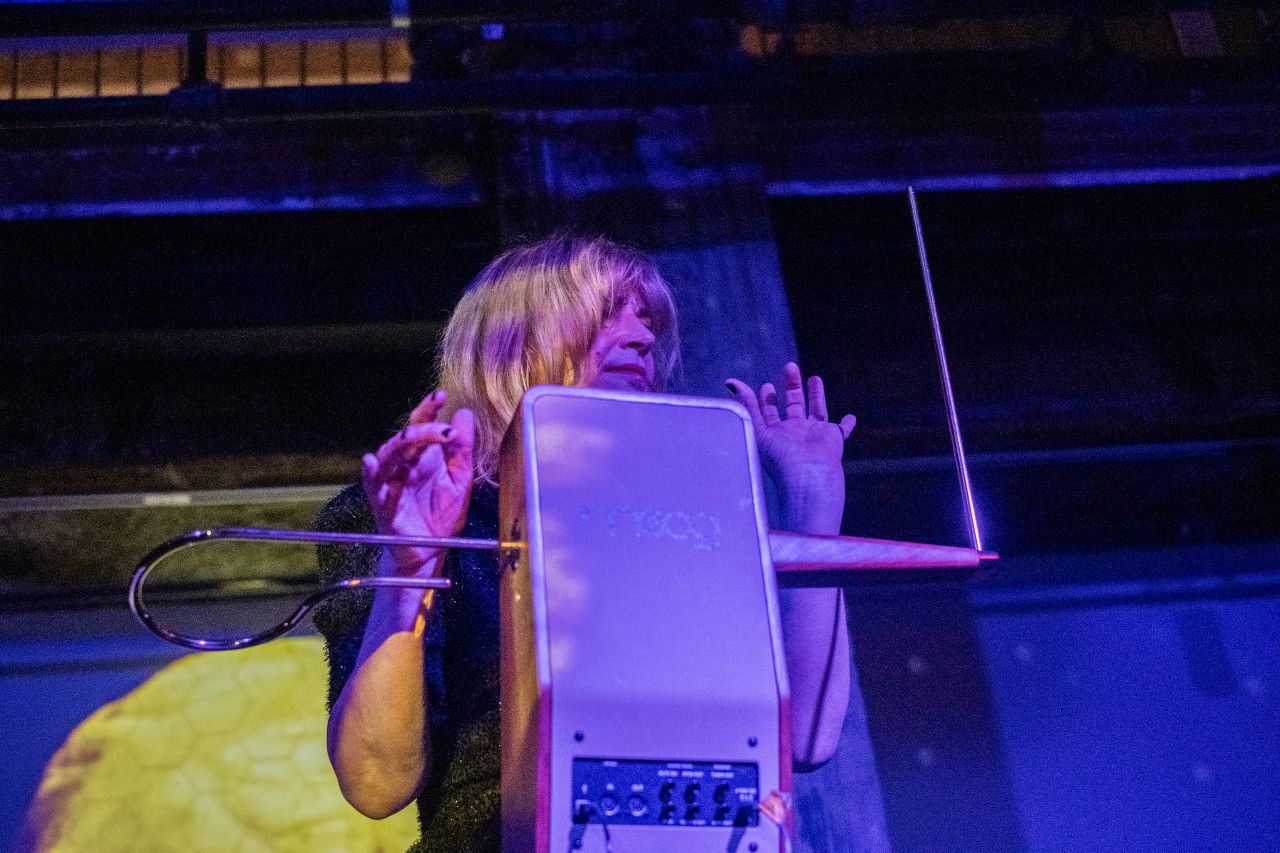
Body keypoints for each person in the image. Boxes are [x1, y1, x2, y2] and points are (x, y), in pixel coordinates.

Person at [314, 235, 856, 853]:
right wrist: (409, 565)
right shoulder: (414, 512)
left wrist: (816, 498)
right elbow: (376, 782)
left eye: (649, 321)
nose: (644, 338)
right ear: (513, 339)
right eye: (609, 313)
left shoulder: (687, 519)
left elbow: (807, 737)